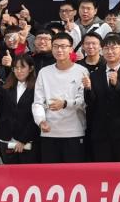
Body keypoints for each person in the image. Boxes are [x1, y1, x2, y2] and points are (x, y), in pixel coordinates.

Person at [31, 32, 88, 163]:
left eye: (63, 46)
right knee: (51, 172)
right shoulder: (44, 72)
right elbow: (38, 102)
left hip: (74, 131)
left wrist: (65, 103)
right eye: (56, 46)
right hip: (49, 131)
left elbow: (83, 101)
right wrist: (40, 121)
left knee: (73, 172)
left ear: (71, 49)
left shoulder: (81, 71)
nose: (59, 50)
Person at [84, 35, 120, 162]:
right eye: (106, 48)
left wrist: (117, 84)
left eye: (113, 48)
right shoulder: (95, 75)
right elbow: (91, 102)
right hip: (101, 132)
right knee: (103, 169)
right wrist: (87, 89)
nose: (110, 51)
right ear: (102, 51)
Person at [0, 54, 40, 164]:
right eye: (15, 68)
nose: (18, 71)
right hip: (6, 138)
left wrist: (23, 140)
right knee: (8, 170)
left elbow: (36, 117)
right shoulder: (8, 86)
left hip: (28, 139)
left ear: (31, 68)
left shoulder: (37, 88)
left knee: (27, 171)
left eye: (22, 67)